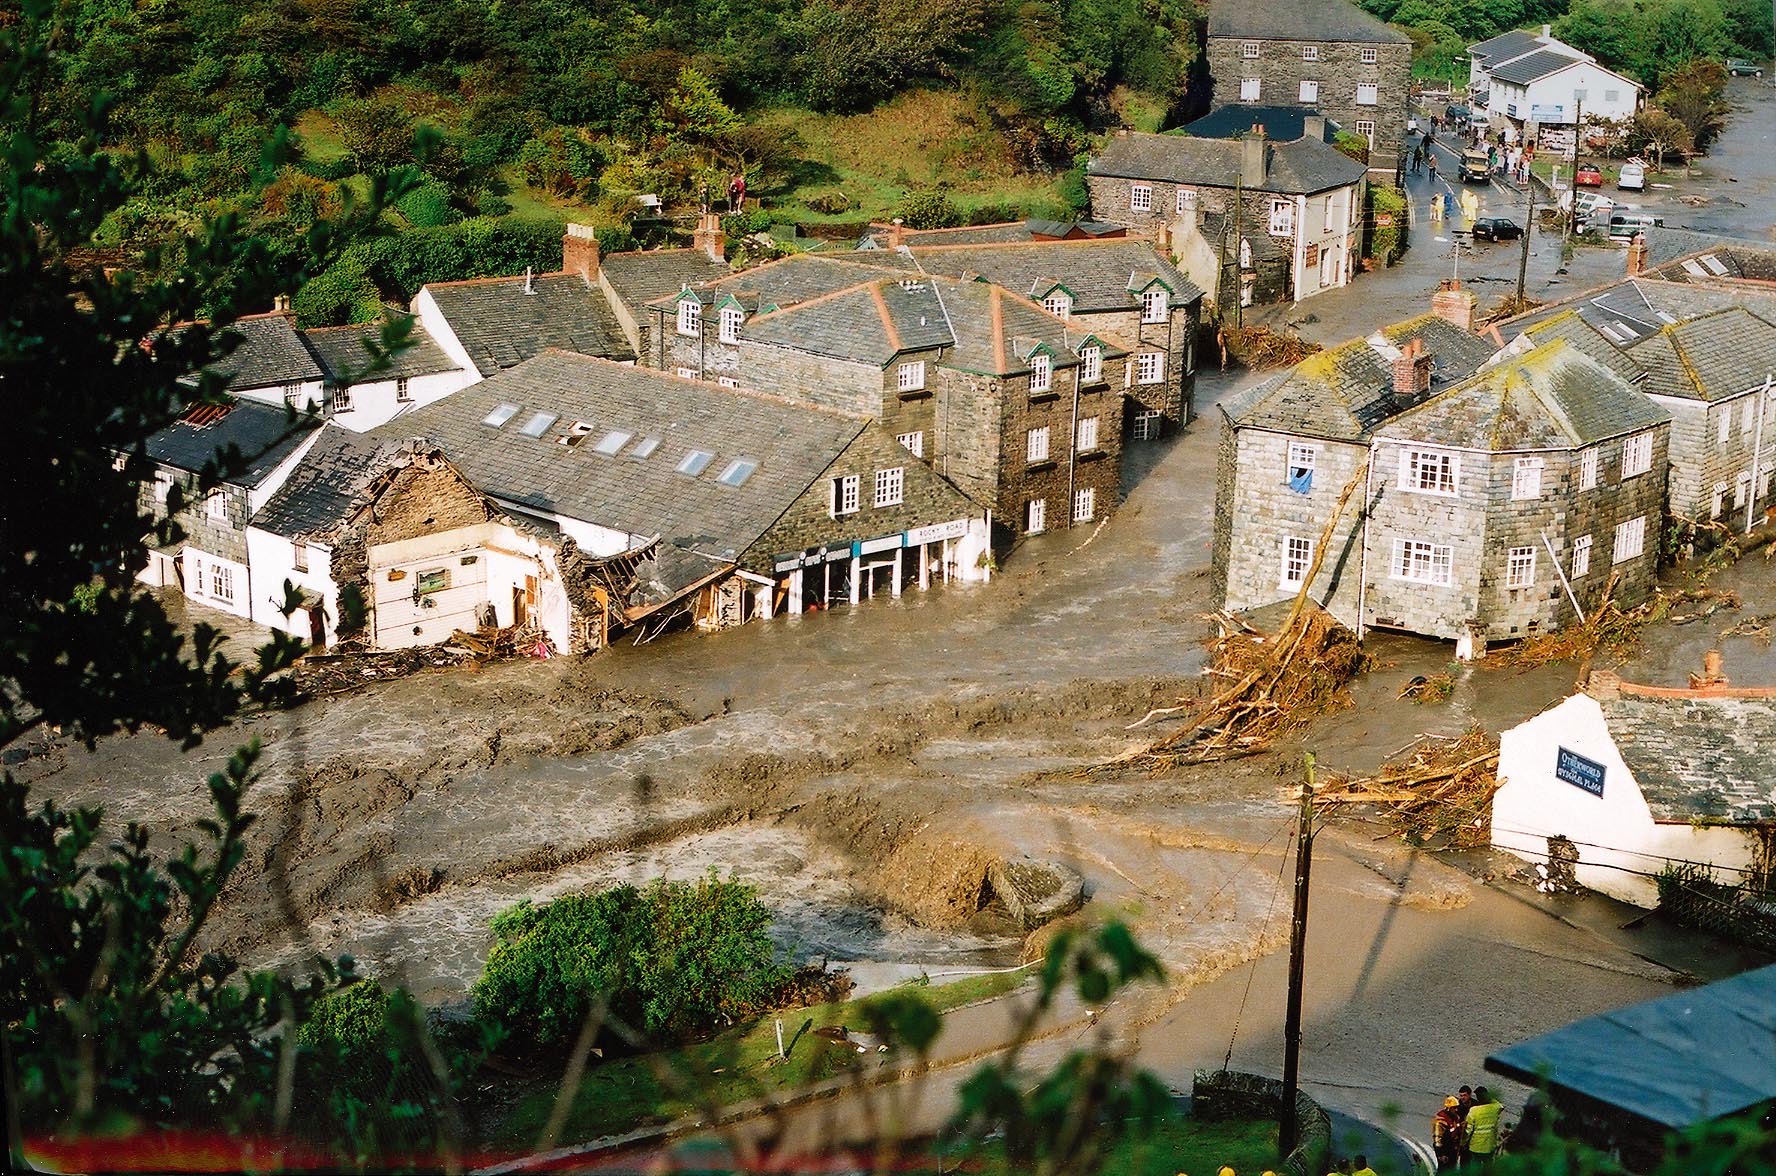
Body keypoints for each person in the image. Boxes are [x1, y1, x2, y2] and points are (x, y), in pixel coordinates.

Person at [1464, 1086, 1504, 1169]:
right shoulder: (1494, 1108)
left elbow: (1468, 1131)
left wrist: (1464, 1143)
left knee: (1475, 1167)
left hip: (1476, 1146)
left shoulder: (1474, 1110)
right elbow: (1501, 1106)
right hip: (1489, 1146)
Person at [1433, 1097, 1465, 1171]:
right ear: (1449, 1108)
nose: (1456, 1110)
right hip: (1444, 1149)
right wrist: (1440, 1155)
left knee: (1452, 1168)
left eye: (1457, 1107)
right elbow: (1437, 1139)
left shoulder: (1455, 1117)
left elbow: (1456, 1129)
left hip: (1453, 1148)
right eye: (1454, 1108)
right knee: (1443, 1170)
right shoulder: (1440, 1121)